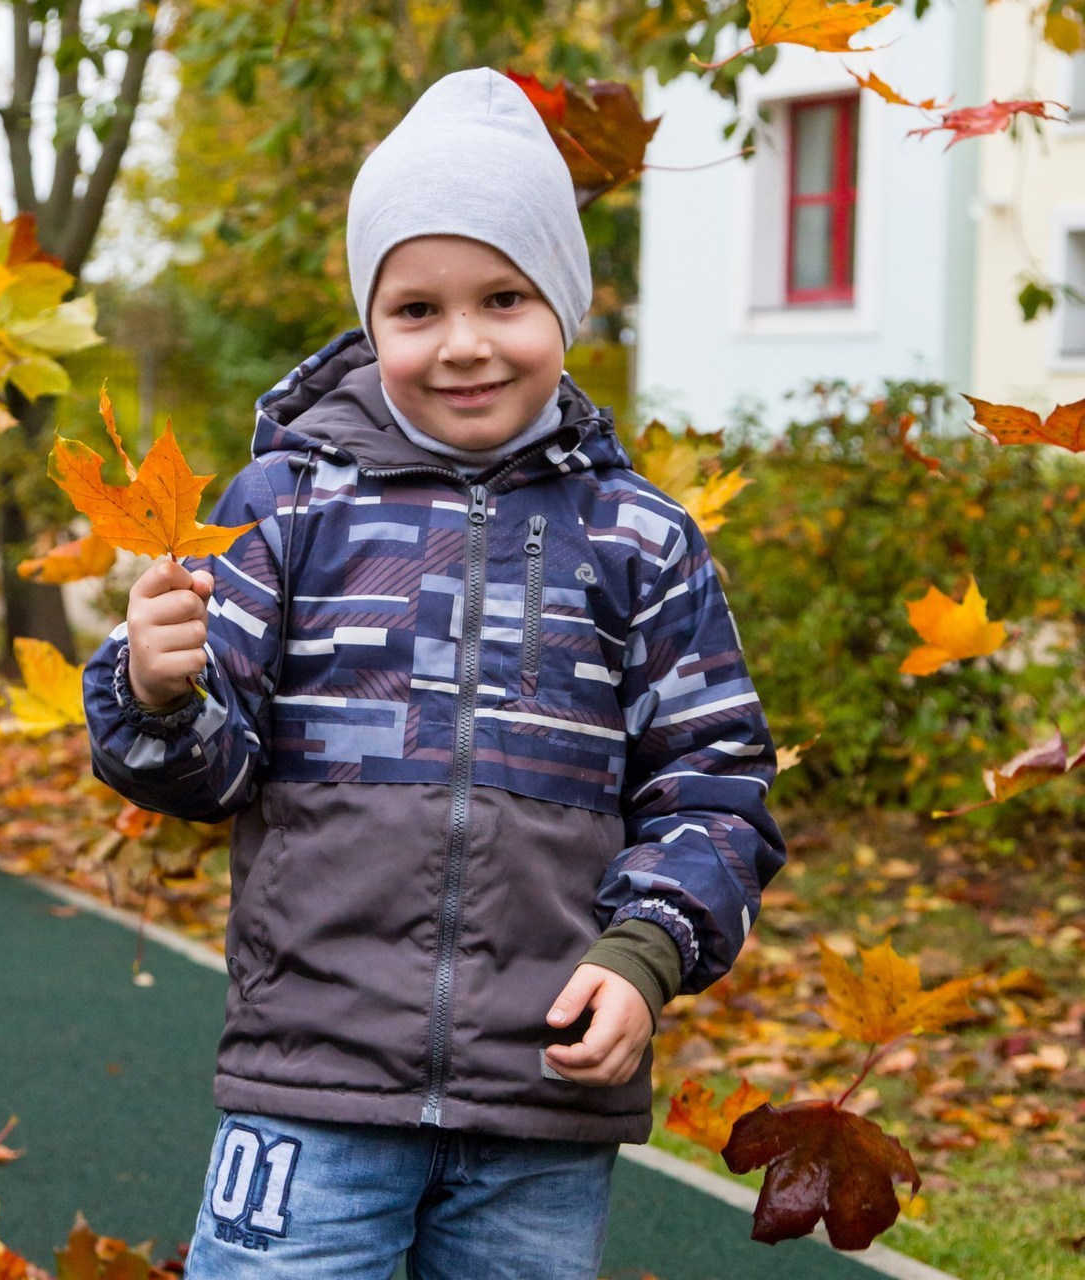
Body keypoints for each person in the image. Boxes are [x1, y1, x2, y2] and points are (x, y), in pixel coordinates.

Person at [83, 66, 785, 1280]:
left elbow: (712, 786)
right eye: (415, 309)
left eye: (502, 297)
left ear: (564, 300)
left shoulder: (639, 539)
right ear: (370, 321)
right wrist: (153, 688)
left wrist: (644, 954)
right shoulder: (284, 509)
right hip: (311, 1068)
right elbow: (212, 766)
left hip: (542, 1090)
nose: (462, 343)